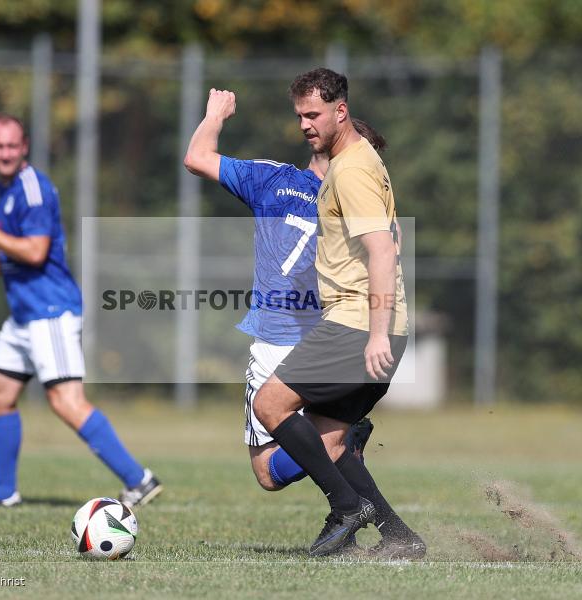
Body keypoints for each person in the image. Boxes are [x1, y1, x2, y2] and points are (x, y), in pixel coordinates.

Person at [252, 69, 425, 558]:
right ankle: (400, 538)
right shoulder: (361, 161)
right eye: (300, 116)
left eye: (314, 115)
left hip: (357, 324)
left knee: (269, 406)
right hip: (378, 326)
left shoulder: (349, 170)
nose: (305, 125)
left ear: (340, 111)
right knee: (329, 446)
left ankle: (347, 509)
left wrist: (374, 335)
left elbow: (382, 252)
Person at [0, 113, 161, 510]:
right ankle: (4, 494)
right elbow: (19, 251)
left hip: (50, 312)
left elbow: (35, 250)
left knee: (66, 401)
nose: (5, 152)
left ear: (24, 146)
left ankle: (140, 480)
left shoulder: (31, 190)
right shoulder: (9, 189)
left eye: (12, 145)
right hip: (24, 315)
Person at [183, 89, 385, 493]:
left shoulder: (272, 179)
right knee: (323, 440)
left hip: (278, 337)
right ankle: (382, 523)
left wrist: (215, 115)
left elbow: (196, 157)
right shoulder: (363, 201)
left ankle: (342, 454)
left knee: (268, 472)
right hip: (334, 334)